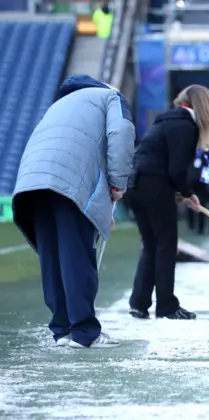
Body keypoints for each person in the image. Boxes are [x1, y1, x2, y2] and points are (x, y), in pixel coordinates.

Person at [12, 75, 135, 349]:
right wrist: (118, 183)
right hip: (68, 183)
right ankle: (84, 332)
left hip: (32, 181)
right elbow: (122, 132)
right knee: (76, 254)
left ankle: (62, 329)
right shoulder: (110, 97)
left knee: (53, 256)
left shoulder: (59, 104)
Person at [127, 84, 209, 320]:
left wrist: (179, 192)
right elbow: (177, 168)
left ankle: (139, 303)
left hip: (136, 185)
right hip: (154, 186)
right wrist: (187, 192)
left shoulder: (166, 120)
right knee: (166, 246)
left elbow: (160, 162)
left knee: (151, 244)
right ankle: (167, 306)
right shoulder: (185, 126)